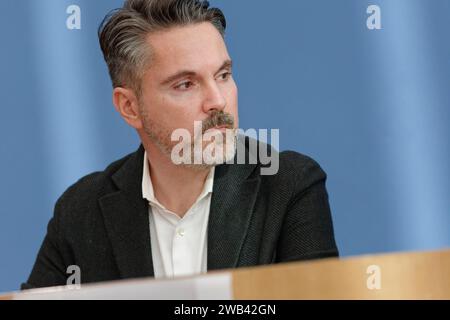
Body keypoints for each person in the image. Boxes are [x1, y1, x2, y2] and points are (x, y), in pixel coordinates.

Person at [22, 0, 338, 289]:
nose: (217, 101)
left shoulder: (289, 185)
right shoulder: (81, 210)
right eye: (185, 84)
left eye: (224, 75)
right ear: (129, 107)